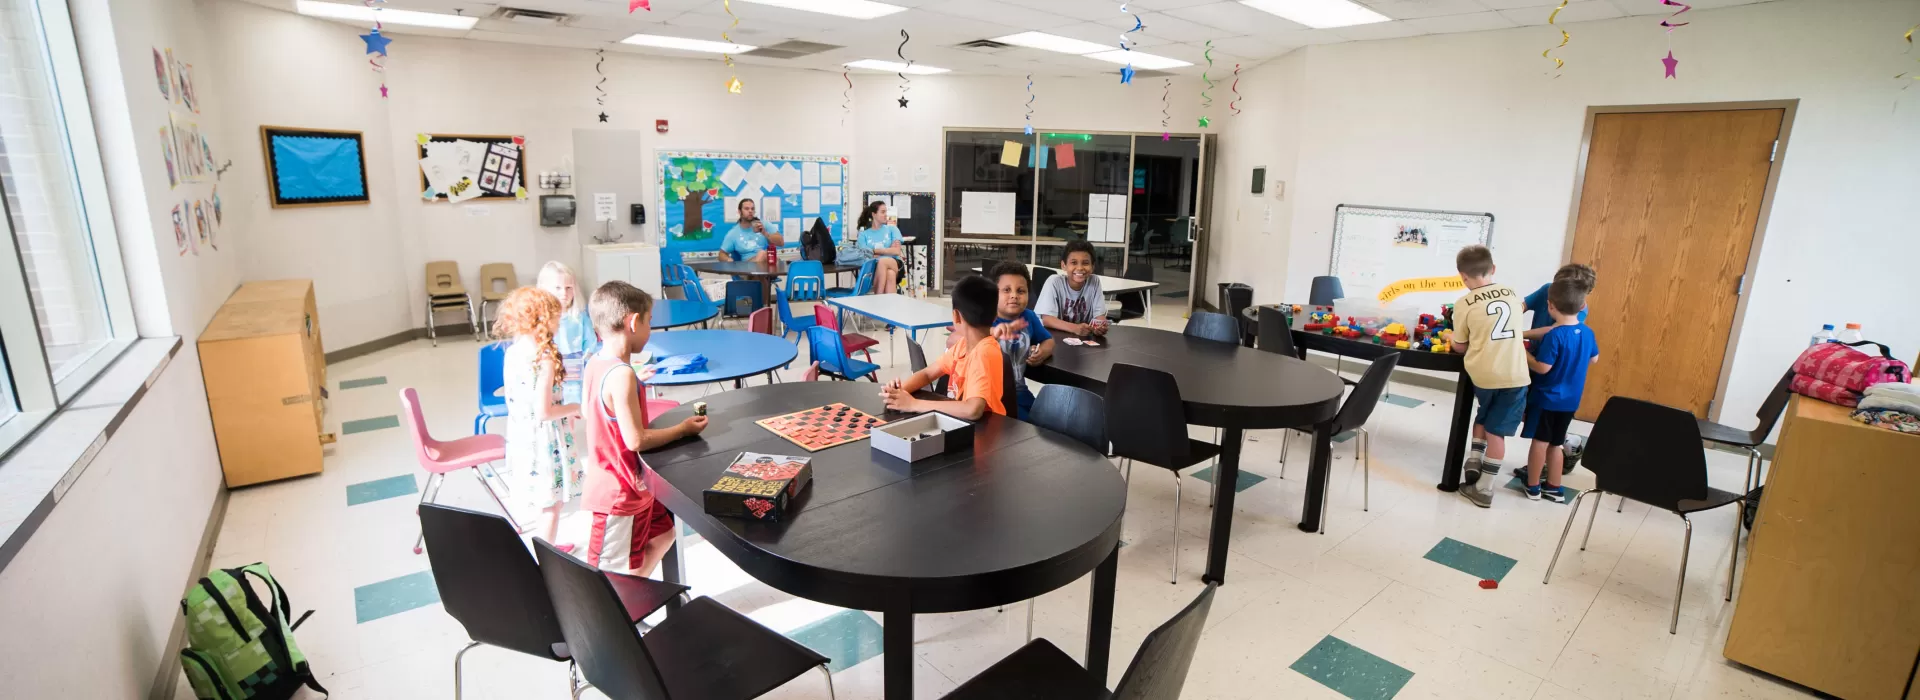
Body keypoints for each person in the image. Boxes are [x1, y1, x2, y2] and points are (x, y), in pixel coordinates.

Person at [580, 281, 709, 575]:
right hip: (619, 493)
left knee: (664, 535)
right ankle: (624, 615)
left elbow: (588, 411)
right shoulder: (622, 375)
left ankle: (634, 601)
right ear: (633, 322)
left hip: (635, 487)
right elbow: (636, 439)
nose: (650, 330)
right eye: (650, 322)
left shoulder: (597, 362)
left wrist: (633, 379)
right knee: (608, 577)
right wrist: (684, 429)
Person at [490, 287, 581, 547]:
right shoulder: (544, 359)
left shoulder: (513, 352)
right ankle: (545, 558)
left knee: (543, 500)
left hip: (521, 435)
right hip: (545, 440)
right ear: (545, 320)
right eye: (557, 318)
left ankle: (547, 547)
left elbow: (513, 396)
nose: (559, 323)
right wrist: (574, 407)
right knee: (552, 505)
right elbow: (545, 412)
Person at [1450, 244, 1531, 509]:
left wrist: (1451, 338)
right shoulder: (1511, 294)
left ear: (1462, 276)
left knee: (1486, 416)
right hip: (1515, 375)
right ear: (1493, 269)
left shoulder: (1463, 303)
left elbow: (1460, 346)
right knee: (1498, 430)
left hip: (1484, 375)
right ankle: (1482, 480)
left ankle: (1478, 472)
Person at [882, 275, 1007, 420]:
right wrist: (899, 391)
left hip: (987, 432)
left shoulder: (984, 352)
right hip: (963, 425)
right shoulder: (963, 346)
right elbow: (928, 374)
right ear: (995, 316)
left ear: (956, 316)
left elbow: (973, 410)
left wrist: (914, 404)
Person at [1522, 279, 1601, 502]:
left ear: (1550, 306)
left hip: (1546, 399)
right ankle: (1554, 488)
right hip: (1570, 401)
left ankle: (1533, 486)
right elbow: (1594, 358)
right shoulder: (1587, 333)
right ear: (1581, 306)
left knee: (1539, 442)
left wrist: (1524, 353)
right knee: (1556, 443)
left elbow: (1542, 367)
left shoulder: (1554, 336)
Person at [988, 261, 1054, 421]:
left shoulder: (1029, 317)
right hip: (991, 397)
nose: (1014, 296)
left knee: (1047, 423)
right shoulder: (985, 318)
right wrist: (992, 332)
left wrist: (1041, 353)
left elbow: (1049, 340)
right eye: (1006, 290)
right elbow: (959, 339)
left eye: (1021, 291)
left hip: (1020, 393)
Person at [537, 261, 599, 405]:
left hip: (575, 375)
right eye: (557, 288)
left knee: (573, 409)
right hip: (549, 374)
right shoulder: (541, 319)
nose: (564, 293)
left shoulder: (580, 317)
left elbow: (591, 344)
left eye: (568, 288)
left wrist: (586, 360)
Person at [1035, 240, 1108, 337]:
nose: (1080, 268)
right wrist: (1075, 328)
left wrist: (1100, 326)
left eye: (1085, 263)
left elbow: (1100, 316)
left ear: (1092, 266)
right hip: (1051, 336)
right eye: (1074, 262)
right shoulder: (1054, 282)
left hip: (1080, 339)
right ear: (1063, 265)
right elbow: (1047, 319)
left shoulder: (1094, 281)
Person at [1522, 263, 1595, 342]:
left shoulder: (1581, 312)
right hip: (1532, 346)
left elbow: (1554, 331)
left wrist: (1520, 334)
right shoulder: (1547, 289)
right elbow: (1523, 306)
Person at [855, 200, 905, 294]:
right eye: (882, 212)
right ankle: (889, 306)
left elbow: (896, 251)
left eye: (886, 211)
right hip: (872, 268)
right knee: (890, 274)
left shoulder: (892, 229)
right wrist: (888, 250)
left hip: (894, 263)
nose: (886, 214)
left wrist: (874, 251)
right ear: (874, 214)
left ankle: (877, 296)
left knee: (882, 262)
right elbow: (865, 255)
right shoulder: (863, 234)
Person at [717, 198, 784, 262]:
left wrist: (765, 233)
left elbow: (781, 243)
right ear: (739, 211)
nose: (750, 211)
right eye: (746, 209)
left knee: (770, 256)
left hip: (766, 262)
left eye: (752, 209)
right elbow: (721, 254)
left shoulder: (763, 224)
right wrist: (729, 260)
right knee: (763, 254)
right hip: (747, 266)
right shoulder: (733, 233)